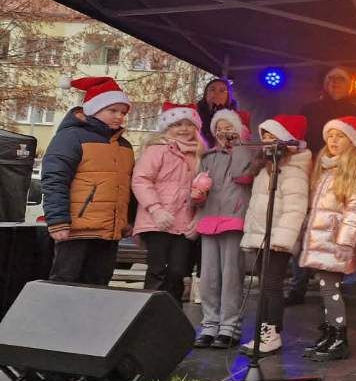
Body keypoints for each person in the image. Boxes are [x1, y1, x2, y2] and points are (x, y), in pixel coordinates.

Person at [43, 76, 134, 285]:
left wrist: (128, 219)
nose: (119, 116)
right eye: (113, 110)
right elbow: (55, 179)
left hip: (109, 231)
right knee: (65, 283)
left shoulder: (124, 146)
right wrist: (57, 221)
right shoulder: (71, 137)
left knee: (99, 285)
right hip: (76, 229)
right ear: (94, 109)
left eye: (123, 112)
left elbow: (126, 187)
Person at [298, 116, 356, 361]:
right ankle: (330, 333)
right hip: (321, 237)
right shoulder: (326, 167)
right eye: (330, 136)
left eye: (340, 136)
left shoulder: (354, 169)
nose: (333, 140)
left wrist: (346, 241)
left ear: (352, 141)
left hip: (334, 238)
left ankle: (339, 338)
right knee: (325, 287)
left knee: (330, 288)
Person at [239, 115, 312, 355]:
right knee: (264, 285)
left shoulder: (293, 170)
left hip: (278, 240)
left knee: (271, 285)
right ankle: (263, 332)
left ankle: (272, 333)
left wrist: (281, 240)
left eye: (273, 136)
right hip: (263, 235)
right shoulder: (265, 167)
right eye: (265, 137)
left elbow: (295, 208)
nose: (268, 141)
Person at [191, 109, 254, 348]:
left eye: (229, 127)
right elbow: (198, 188)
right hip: (209, 219)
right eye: (218, 128)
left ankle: (230, 326)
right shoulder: (208, 156)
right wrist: (197, 194)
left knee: (231, 277)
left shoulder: (247, 152)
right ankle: (210, 324)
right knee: (208, 277)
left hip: (234, 218)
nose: (223, 132)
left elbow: (241, 176)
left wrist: (237, 145)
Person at [131, 102, 204, 304]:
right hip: (157, 221)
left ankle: (172, 314)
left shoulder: (199, 155)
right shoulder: (157, 150)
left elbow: (202, 190)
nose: (183, 129)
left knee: (178, 271)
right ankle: (150, 313)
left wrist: (198, 210)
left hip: (183, 224)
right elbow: (141, 180)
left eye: (188, 124)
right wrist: (155, 209)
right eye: (177, 124)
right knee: (158, 270)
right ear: (167, 128)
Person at [300, 67, 356, 156]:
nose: (336, 81)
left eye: (341, 79)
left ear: (350, 85)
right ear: (325, 84)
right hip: (316, 158)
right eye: (331, 78)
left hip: (348, 160)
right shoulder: (309, 109)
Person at [196, 78, 238, 148]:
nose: (216, 93)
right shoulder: (194, 115)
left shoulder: (236, 119)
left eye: (222, 91)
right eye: (212, 89)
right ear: (206, 94)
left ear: (228, 97)